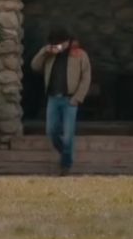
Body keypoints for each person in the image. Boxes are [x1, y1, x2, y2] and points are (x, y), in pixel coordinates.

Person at [30, 28, 91, 175]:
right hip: (53, 98)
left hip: (70, 99)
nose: (59, 46)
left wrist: (78, 98)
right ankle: (66, 154)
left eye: (61, 43)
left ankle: (66, 165)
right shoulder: (49, 54)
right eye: (55, 43)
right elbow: (35, 66)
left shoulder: (79, 54)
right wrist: (45, 51)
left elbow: (86, 77)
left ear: (67, 41)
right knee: (51, 131)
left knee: (68, 134)